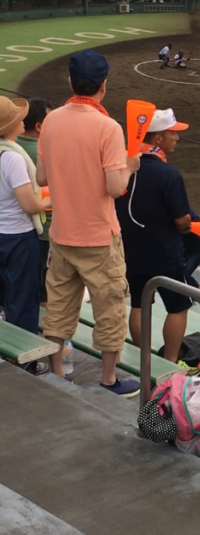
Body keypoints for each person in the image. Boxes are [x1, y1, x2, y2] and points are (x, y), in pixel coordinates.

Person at [37, 49, 140, 396]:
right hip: (98, 235)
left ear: (70, 82)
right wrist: (130, 166)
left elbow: (41, 178)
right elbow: (115, 187)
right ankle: (108, 379)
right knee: (110, 307)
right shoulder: (108, 127)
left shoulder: (51, 121)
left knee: (59, 306)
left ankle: (56, 373)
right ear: (103, 85)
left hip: (62, 233)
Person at [115, 108, 194, 364]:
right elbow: (181, 219)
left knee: (139, 303)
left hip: (130, 248)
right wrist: (187, 228)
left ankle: (144, 359)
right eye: (172, 133)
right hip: (164, 251)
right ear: (158, 139)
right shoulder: (169, 174)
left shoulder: (123, 165)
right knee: (178, 305)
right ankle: (170, 362)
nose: (177, 138)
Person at [0, 95, 50, 334]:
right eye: (17, 119)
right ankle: (24, 363)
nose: (23, 121)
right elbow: (30, 205)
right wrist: (52, 199)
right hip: (19, 237)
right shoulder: (12, 157)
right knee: (23, 299)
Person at [18, 97, 53, 299]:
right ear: (39, 126)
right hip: (44, 228)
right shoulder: (44, 152)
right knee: (44, 290)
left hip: (22, 228)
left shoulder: (12, 145)